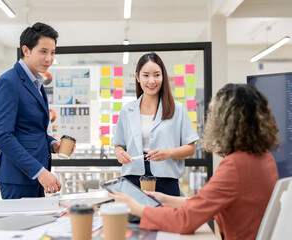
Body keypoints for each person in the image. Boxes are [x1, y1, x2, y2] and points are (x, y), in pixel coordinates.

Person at [110, 84, 279, 239]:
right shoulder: (265, 158)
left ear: (225, 122)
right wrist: (166, 199)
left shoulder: (236, 166)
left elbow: (186, 220)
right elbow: (209, 203)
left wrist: (135, 207)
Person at [0, 22, 69, 199]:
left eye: (52, 53)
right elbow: (2, 136)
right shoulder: (9, 82)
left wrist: (52, 144)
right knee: (22, 227)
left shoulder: (36, 82)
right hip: (18, 177)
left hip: (34, 175)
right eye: (43, 51)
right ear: (26, 50)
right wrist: (39, 172)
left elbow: (30, 129)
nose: (49, 59)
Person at [112, 52, 199, 196]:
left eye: (157, 75)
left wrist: (168, 153)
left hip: (166, 180)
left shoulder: (177, 109)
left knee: (167, 218)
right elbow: (119, 145)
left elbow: (190, 148)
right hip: (132, 178)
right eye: (146, 75)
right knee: (134, 219)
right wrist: (119, 153)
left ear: (163, 77)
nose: (151, 81)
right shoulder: (127, 110)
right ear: (138, 77)